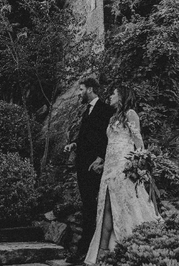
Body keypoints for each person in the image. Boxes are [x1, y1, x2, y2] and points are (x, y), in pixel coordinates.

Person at [85, 85, 162, 265]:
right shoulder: (112, 117)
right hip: (109, 169)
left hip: (123, 169)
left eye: (113, 93)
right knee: (106, 209)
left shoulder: (131, 114)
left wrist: (139, 165)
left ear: (122, 96)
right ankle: (103, 254)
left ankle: (122, 250)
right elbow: (111, 144)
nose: (110, 96)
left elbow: (139, 144)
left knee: (118, 208)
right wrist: (102, 161)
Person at [64, 77, 113, 263]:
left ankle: (85, 250)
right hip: (83, 165)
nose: (79, 93)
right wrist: (75, 144)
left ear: (90, 89)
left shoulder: (106, 110)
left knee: (91, 207)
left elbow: (108, 138)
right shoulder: (87, 111)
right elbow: (88, 137)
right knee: (87, 205)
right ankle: (86, 249)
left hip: (95, 167)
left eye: (81, 89)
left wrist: (100, 157)